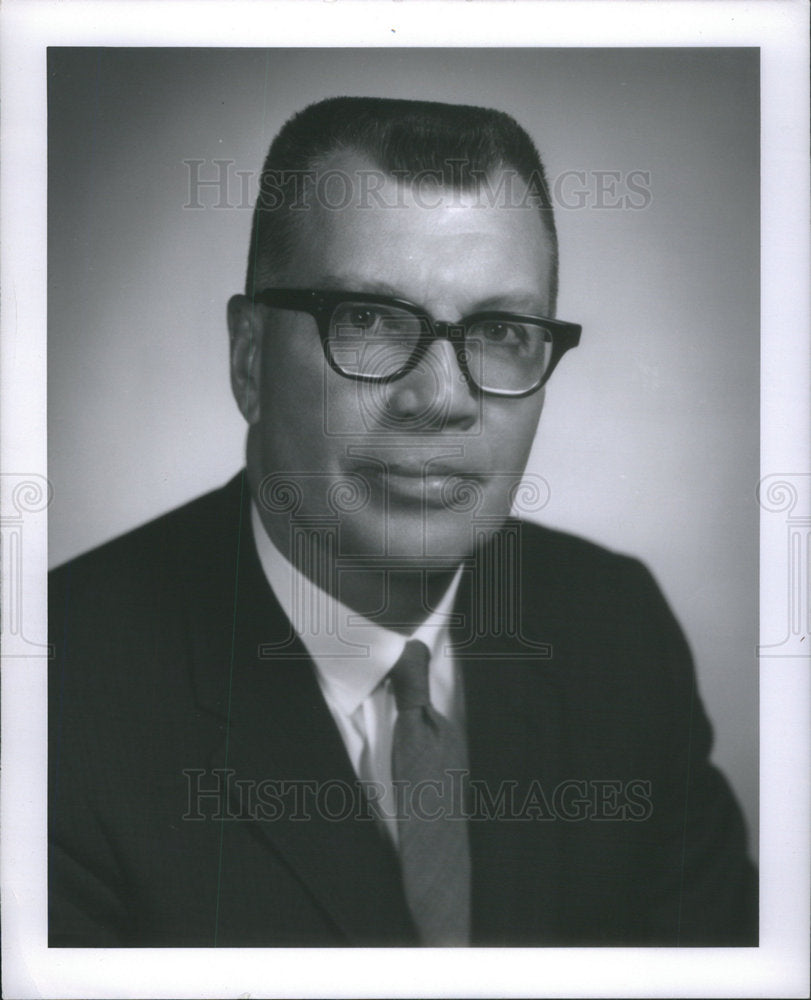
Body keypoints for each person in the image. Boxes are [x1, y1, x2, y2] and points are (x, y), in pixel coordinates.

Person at [48, 96, 757, 947]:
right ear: (249, 360)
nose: (440, 399)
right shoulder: (53, 702)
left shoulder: (616, 630)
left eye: (499, 330)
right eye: (370, 321)